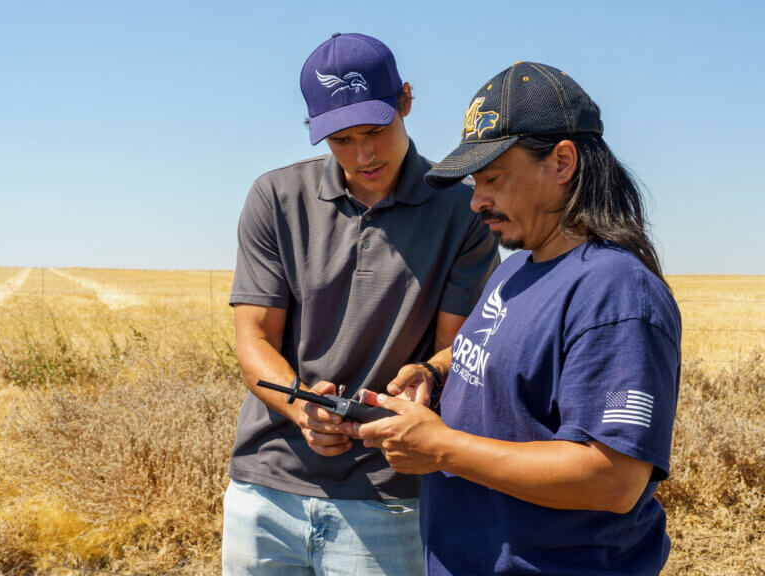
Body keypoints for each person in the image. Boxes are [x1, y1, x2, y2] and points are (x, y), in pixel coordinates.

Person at [356, 61, 682, 575]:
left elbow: (613, 478)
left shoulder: (617, 294)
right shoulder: (515, 270)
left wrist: (441, 448)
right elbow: (488, 353)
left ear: (562, 162)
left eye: (493, 178)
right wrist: (432, 374)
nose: (476, 200)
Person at [222, 33, 498, 575]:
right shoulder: (275, 199)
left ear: (407, 101)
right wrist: (301, 406)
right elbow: (253, 339)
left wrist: (429, 374)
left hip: (388, 500)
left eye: (375, 131)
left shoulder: (465, 208)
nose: (362, 155)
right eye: (341, 139)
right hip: (266, 491)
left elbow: (456, 348)